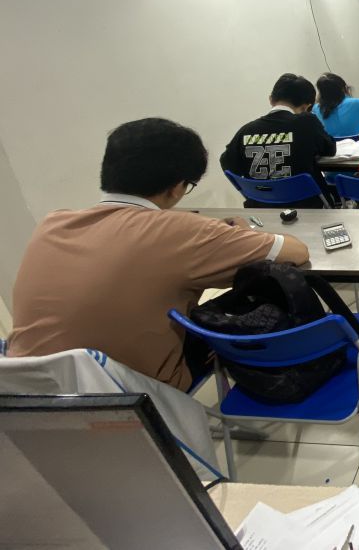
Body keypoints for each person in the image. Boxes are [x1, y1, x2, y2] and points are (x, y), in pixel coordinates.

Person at [7, 118, 309, 392]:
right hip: (132, 397)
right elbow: (295, 252)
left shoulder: (52, 224)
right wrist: (241, 234)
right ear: (177, 188)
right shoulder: (182, 231)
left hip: (24, 395)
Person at [220, 73, 335, 208]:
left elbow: (227, 164)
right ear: (306, 107)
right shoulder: (307, 122)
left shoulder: (246, 130)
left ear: (271, 99)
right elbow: (330, 149)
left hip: (261, 209)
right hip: (307, 208)